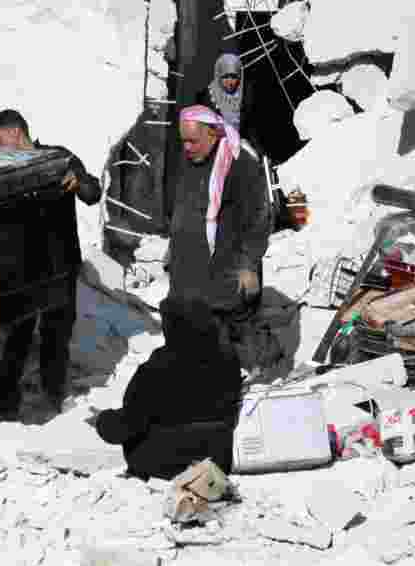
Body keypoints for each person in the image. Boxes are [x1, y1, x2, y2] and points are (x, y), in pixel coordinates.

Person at [0, 109, 102, 419]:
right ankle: (6, 405)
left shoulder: (57, 157)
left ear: (15, 132)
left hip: (60, 263)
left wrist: (78, 182)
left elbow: (93, 192)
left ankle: (53, 397)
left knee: (57, 334)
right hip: (21, 270)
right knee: (17, 337)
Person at [167, 104, 276, 374]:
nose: (187, 147)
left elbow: (260, 218)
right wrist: (174, 245)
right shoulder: (190, 159)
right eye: (184, 141)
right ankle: (208, 379)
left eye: (193, 141)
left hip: (228, 263)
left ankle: (260, 373)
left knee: (236, 321)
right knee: (195, 323)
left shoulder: (240, 162)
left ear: (213, 135)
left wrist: (249, 265)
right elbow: (184, 205)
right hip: (190, 264)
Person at [93, 296, 242, 480]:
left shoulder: (157, 369)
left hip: (163, 465)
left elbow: (129, 424)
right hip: (218, 461)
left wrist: (102, 421)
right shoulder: (229, 361)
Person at [195, 53, 247, 131]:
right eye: (225, 77)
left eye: (234, 77)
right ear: (218, 76)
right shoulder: (207, 98)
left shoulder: (244, 97)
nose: (230, 81)